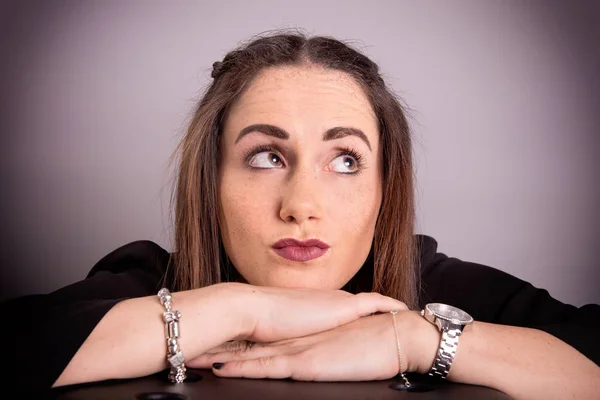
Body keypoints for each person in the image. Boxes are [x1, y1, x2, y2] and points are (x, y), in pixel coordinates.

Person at [1, 31, 599, 399]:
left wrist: (416, 340)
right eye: (265, 156)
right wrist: (246, 306)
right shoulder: (150, 284)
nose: (301, 206)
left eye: (345, 161)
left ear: (384, 190)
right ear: (210, 182)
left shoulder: (432, 285)